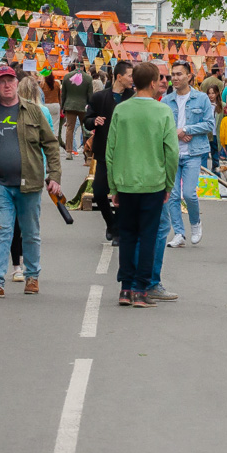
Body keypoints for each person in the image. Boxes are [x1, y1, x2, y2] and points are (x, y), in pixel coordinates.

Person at [0, 66, 62, 298]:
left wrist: (54, 176)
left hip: (29, 184)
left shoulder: (33, 111)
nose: (6, 85)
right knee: (1, 231)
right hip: (0, 185)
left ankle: (32, 276)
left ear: (16, 82)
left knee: (30, 232)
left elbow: (51, 145)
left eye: (10, 80)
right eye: (1, 81)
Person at [106, 62, 179, 308]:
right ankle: (140, 289)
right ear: (152, 82)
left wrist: (113, 186)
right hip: (153, 182)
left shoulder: (121, 110)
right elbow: (172, 152)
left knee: (127, 235)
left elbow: (110, 151)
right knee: (148, 235)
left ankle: (125, 289)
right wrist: (168, 183)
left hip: (126, 182)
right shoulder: (163, 111)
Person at [162, 61, 215, 247]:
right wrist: (176, 132)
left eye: (179, 74)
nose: (175, 78)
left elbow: (210, 124)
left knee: (189, 193)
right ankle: (179, 233)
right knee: (173, 195)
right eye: (173, 74)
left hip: (193, 152)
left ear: (189, 76)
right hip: (172, 153)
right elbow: (162, 125)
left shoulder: (201, 99)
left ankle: (195, 223)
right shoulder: (166, 100)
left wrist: (186, 129)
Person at [84, 61, 135, 244]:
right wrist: (94, 121)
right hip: (104, 152)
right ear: (119, 77)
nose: (132, 79)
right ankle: (111, 224)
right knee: (98, 192)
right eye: (129, 75)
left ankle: (119, 231)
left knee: (121, 192)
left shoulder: (133, 98)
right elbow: (87, 120)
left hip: (126, 154)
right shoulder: (99, 97)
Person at [60, 63, 94, 160]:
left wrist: (63, 107)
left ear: (75, 65)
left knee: (70, 128)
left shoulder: (67, 77)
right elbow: (90, 95)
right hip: (83, 106)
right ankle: (86, 151)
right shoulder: (88, 78)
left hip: (70, 105)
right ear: (84, 66)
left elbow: (64, 94)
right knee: (85, 129)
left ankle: (69, 152)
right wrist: (90, 107)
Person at [206, 85, 225, 172]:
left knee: (215, 157)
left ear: (217, 93)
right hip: (207, 134)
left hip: (216, 134)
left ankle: (216, 174)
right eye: (209, 93)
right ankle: (204, 174)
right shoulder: (205, 105)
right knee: (204, 156)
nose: (211, 95)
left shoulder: (222, 106)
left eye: (213, 93)